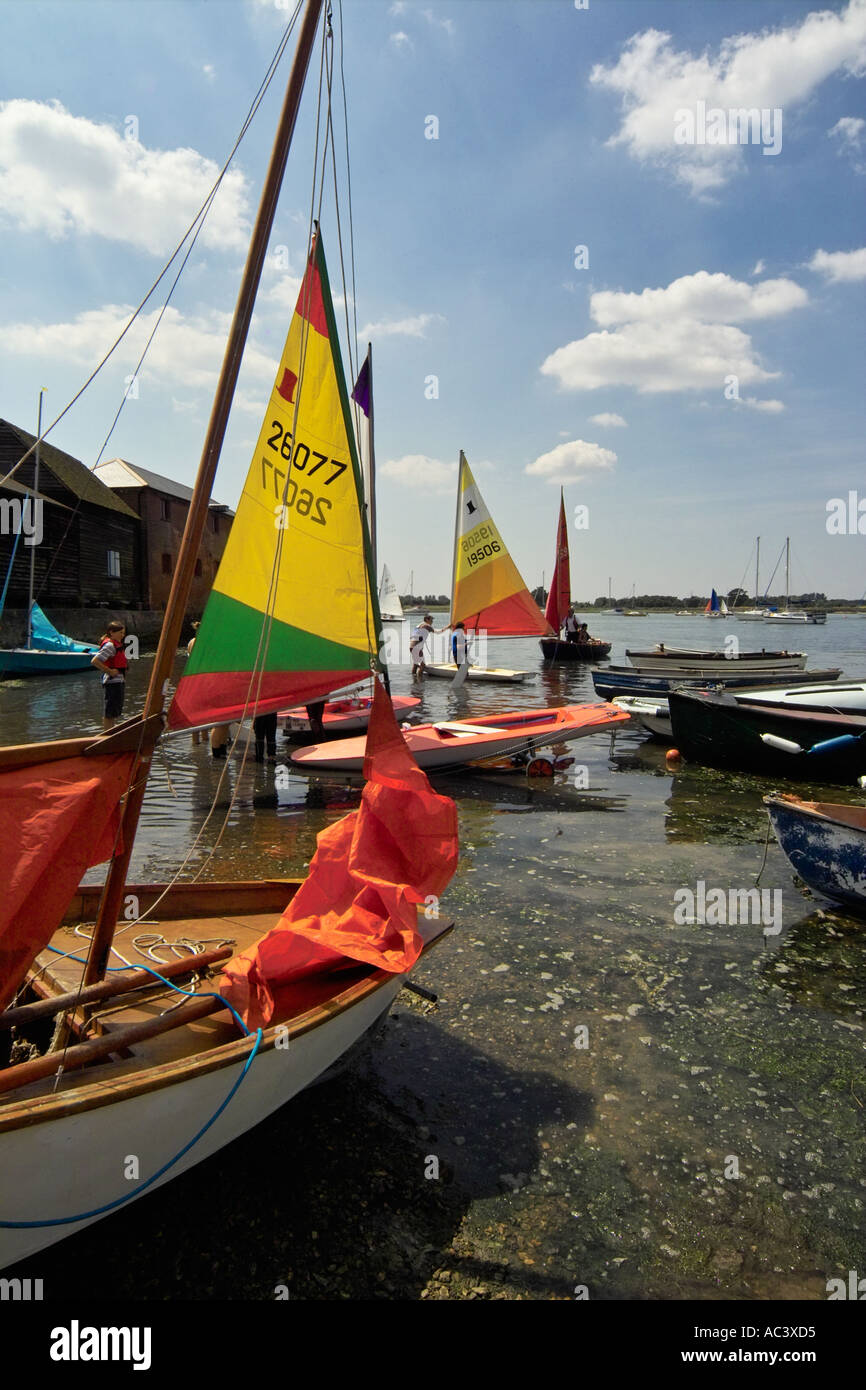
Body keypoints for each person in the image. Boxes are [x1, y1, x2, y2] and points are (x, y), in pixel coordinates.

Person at [91, 620, 128, 730]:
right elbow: (95, 661)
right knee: (109, 712)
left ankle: (111, 732)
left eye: (123, 633)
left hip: (118, 682)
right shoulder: (110, 646)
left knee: (114, 711)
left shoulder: (116, 645)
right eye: (120, 633)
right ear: (111, 632)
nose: (122, 635)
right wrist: (109, 671)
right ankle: (107, 734)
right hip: (112, 682)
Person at [187, 622, 203, 744]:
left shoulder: (191, 641)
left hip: (191, 679)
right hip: (201, 680)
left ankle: (196, 744)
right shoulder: (201, 642)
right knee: (204, 714)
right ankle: (205, 740)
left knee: (195, 714)